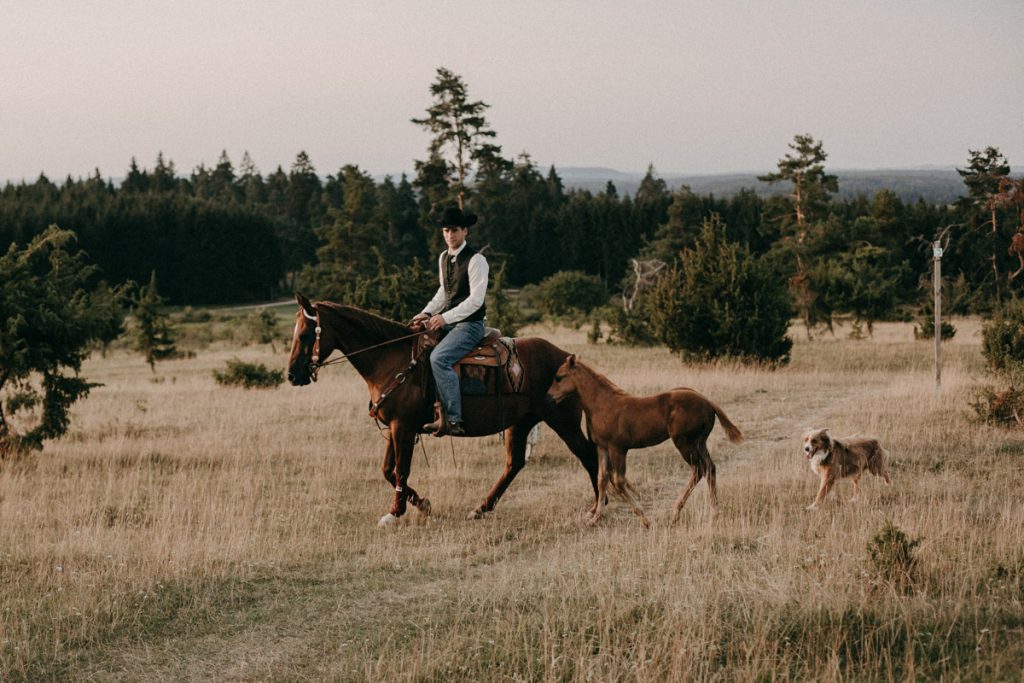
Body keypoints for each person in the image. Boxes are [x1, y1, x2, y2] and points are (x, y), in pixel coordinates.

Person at [411, 205, 489, 436]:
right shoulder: (444, 257)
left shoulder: (476, 260)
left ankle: (454, 419)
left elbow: (476, 300)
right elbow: (444, 292)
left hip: (471, 325)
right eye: (446, 230)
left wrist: (444, 318)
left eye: (454, 230)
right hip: (450, 322)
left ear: (465, 231)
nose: (449, 235)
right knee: (418, 351)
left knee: (439, 358)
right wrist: (426, 313)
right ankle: (431, 410)